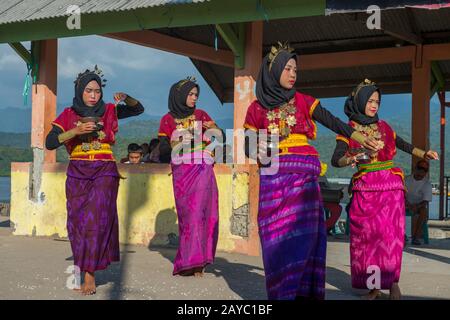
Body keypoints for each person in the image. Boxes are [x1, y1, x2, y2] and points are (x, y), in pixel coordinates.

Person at [243, 43, 379, 300]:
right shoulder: (256, 109)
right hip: (273, 180)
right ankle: (282, 292)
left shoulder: (305, 101)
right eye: (287, 68)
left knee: (303, 238)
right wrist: (263, 144)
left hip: (304, 180)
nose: (293, 73)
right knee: (275, 237)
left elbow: (333, 121)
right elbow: (249, 145)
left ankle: (302, 293)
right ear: (272, 71)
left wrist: (359, 137)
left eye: (295, 68)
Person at [331, 79, 439, 300]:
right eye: (370, 100)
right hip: (365, 188)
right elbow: (336, 160)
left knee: (391, 237)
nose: (374, 105)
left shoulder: (385, 127)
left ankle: (394, 284)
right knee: (367, 238)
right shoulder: (348, 129)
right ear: (360, 101)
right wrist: (360, 153)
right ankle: (374, 288)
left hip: (390, 187)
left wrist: (423, 153)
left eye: (377, 101)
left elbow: (402, 144)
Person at [45, 66, 144, 295]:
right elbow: (50, 142)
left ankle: (89, 273)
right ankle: (85, 265)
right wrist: (75, 132)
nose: (93, 95)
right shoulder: (68, 114)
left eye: (97, 91)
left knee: (96, 219)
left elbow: (138, 109)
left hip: (105, 170)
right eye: (89, 90)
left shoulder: (110, 110)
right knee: (78, 223)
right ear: (80, 90)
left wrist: (126, 97)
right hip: (77, 172)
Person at [158, 77, 223, 277]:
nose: (194, 98)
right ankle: (188, 259)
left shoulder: (201, 115)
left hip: (203, 167)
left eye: (196, 94)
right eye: (190, 94)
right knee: (187, 216)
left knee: (202, 213)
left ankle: (199, 262)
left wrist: (214, 135)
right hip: (181, 172)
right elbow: (162, 152)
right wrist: (174, 140)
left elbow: (219, 138)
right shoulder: (167, 120)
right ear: (179, 95)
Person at [405, 160, 433, 246]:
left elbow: (425, 201)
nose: (421, 171)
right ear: (415, 169)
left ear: (426, 172)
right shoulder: (406, 180)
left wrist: (416, 206)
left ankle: (416, 237)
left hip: (419, 205)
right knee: (395, 207)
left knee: (423, 211)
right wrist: (408, 205)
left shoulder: (427, 184)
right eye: (420, 168)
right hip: (405, 203)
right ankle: (402, 234)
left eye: (424, 170)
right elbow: (401, 195)